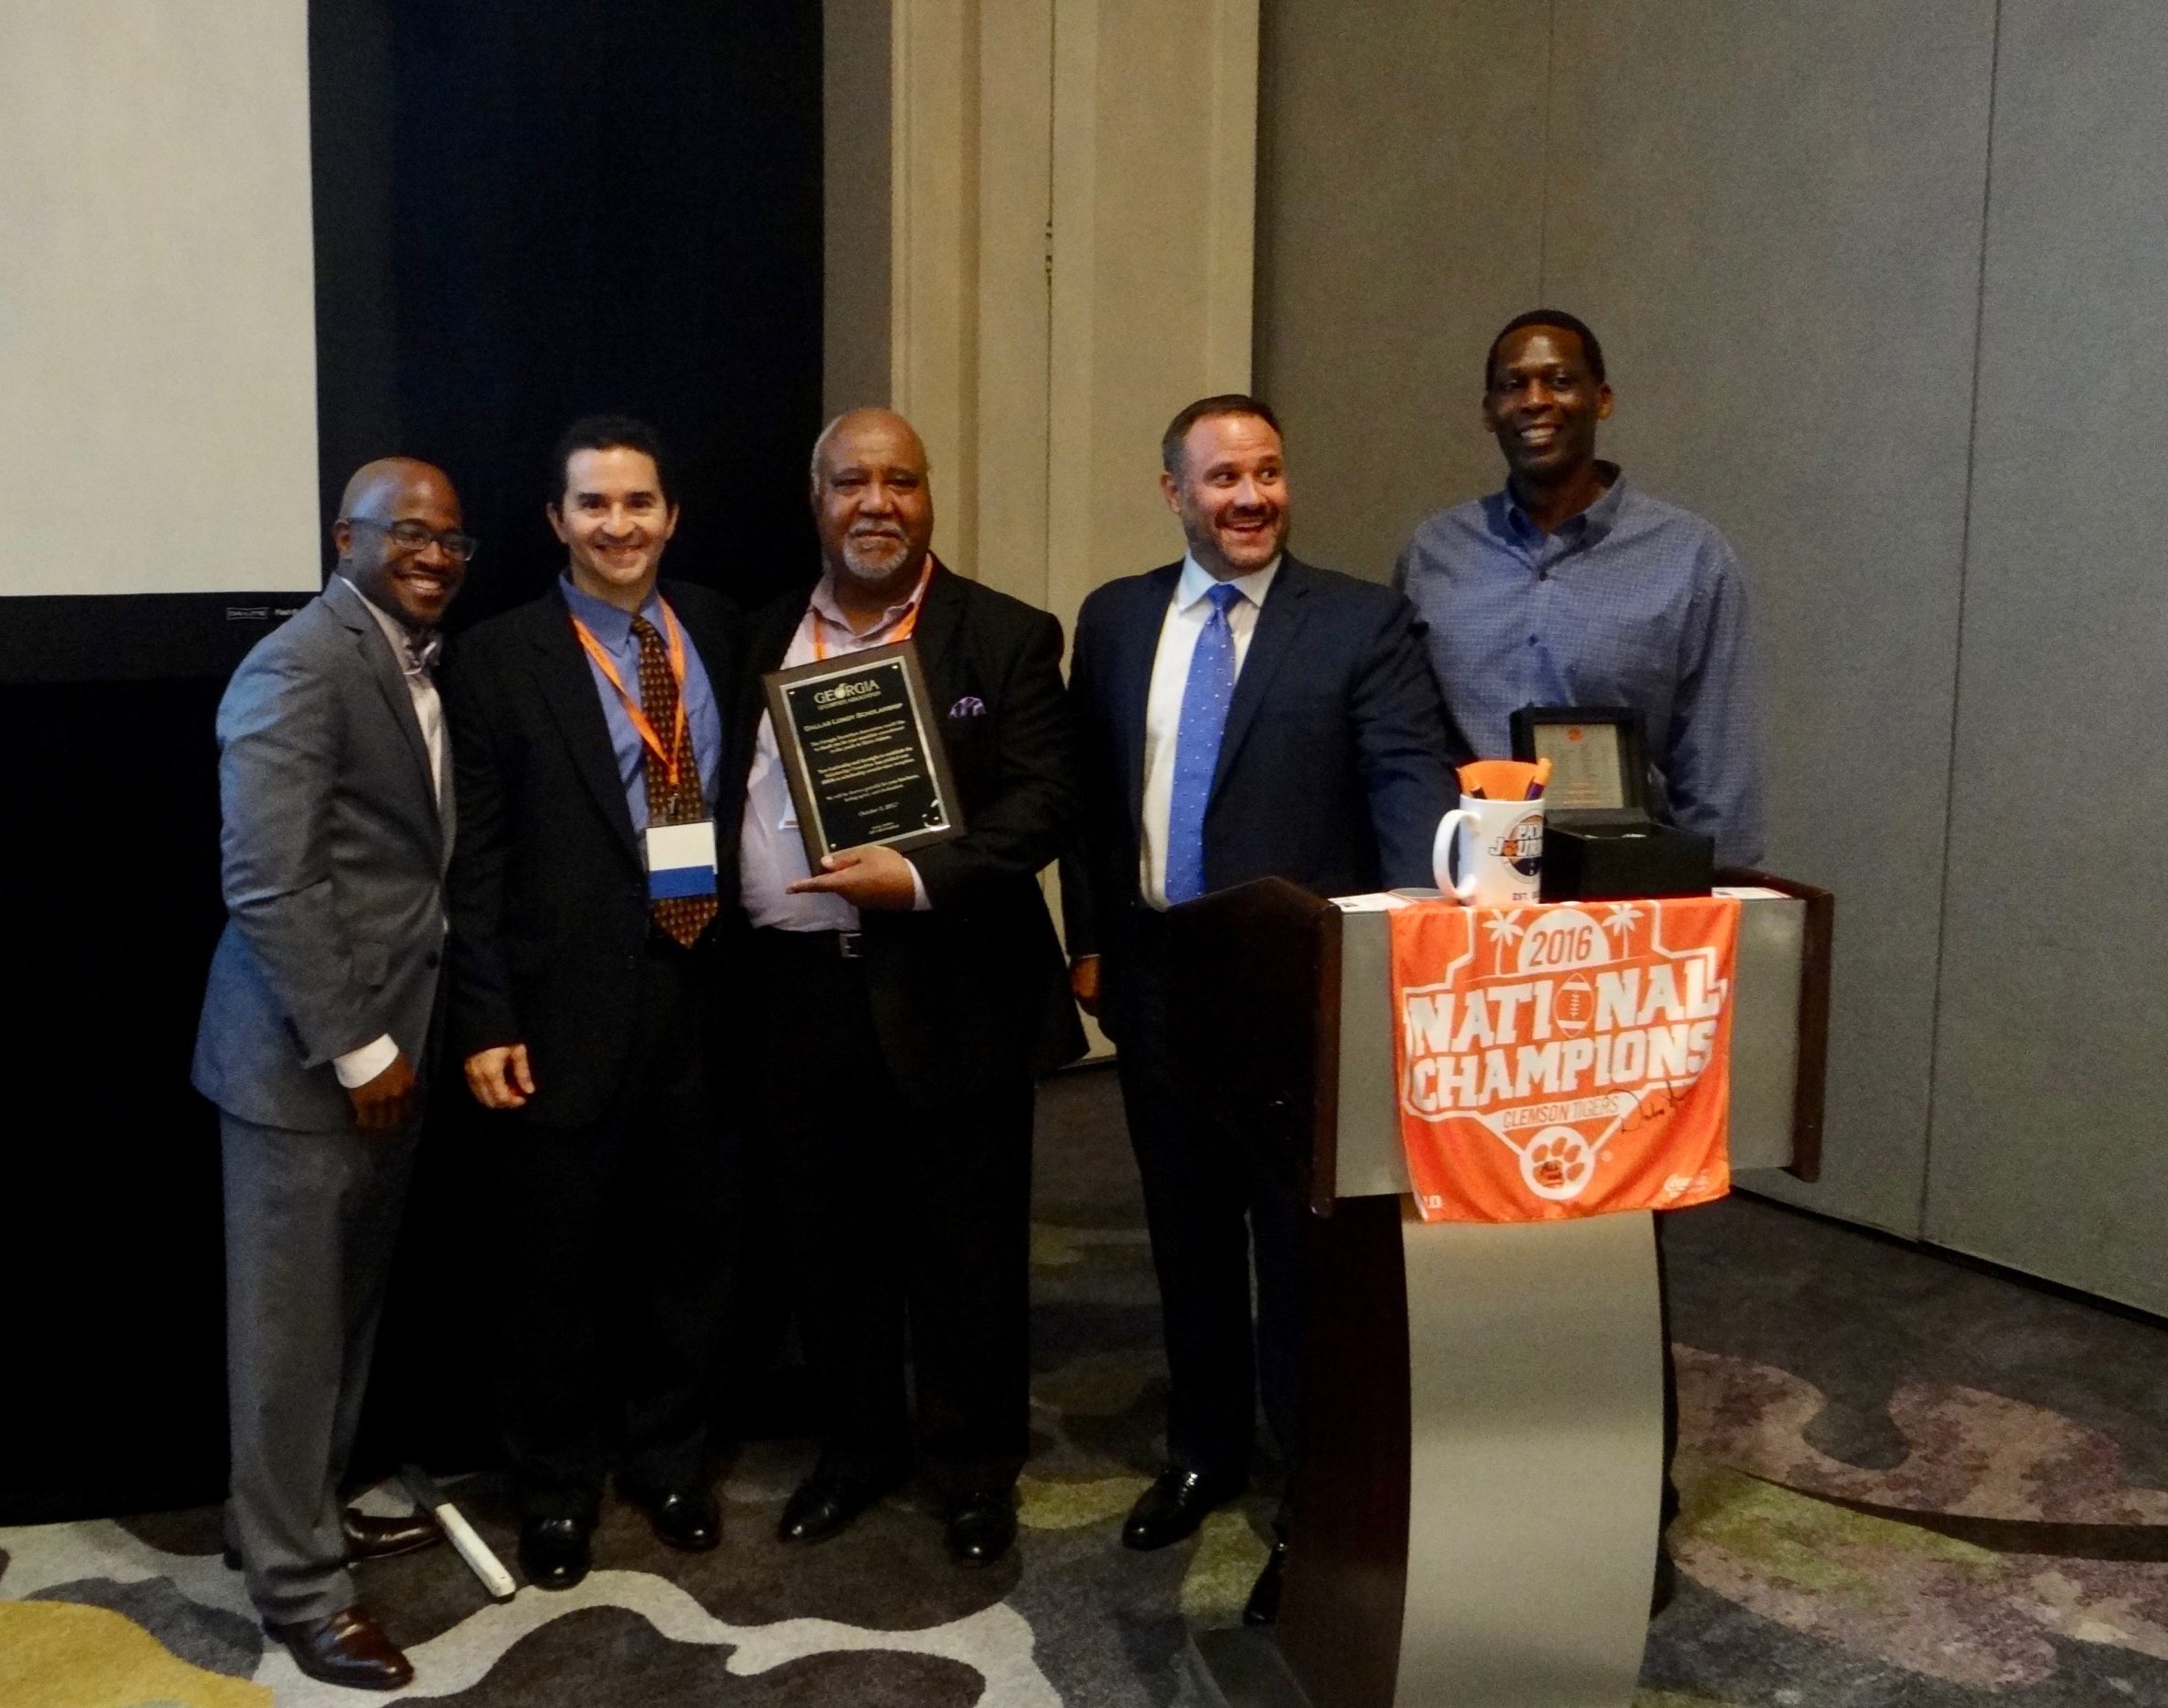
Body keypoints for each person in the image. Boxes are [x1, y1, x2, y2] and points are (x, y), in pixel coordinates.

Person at [1062, 395, 1458, 1623]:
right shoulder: (1116, 618)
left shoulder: (1359, 622)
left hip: (1301, 991)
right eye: (1223, 476)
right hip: (1160, 982)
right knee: (1184, 1234)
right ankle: (1204, 1447)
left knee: (1299, 1258)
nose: (1250, 497)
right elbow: (1091, 796)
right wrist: (1090, 941)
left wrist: (1417, 949)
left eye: (1268, 472)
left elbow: (1408, 788)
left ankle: (1314, 1493)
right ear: (1172, 491)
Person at [737, 407, 1082, 1567]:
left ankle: (974, 1468)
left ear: (928, 497)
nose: (875, 503)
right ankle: (855, 1449)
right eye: (851, 482)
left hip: (951, 987)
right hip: (795, 994)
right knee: (826, 1241)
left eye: (899, 481)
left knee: (967, 1250)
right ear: (815, 498)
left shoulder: (1006, 633)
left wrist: (922, 877)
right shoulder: (756, 636)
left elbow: (1044, 804)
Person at [442, 415, 746, 1590]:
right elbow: (474, 859)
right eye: (593, 504)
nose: (618, 524)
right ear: (556, 521)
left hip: (703, 989)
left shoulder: (718, 625)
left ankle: (672, 1460)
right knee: (552, 1268)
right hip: (559, 1009)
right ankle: (556, 1487)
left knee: (692, 1252)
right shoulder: (497, 656)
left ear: (671, 515)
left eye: (638, 502)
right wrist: (484, 1016)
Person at [191, 457, 472, 1691]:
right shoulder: (299, 663)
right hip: (308, 1064)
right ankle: (300, 1587)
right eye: (407, 530)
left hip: (387, 1051)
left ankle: (287, 1514)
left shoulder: (406, 658)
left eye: (450, 537)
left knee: (341, 1318)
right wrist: (359, 1047)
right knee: (290, 1337)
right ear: (342, 538)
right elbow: (268, 879)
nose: (433, 553)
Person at [1396, 308, 1766, 863]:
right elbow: (1403, 742)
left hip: (1623, 883)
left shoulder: (1689, 557)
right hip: (1469, 879)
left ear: (1603, 399)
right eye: (1513, 385)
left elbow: (1717, 768)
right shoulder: (1434, 554)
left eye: (1561, 380)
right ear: (1489, 411)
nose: (1535, 400)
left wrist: (1718, 893)